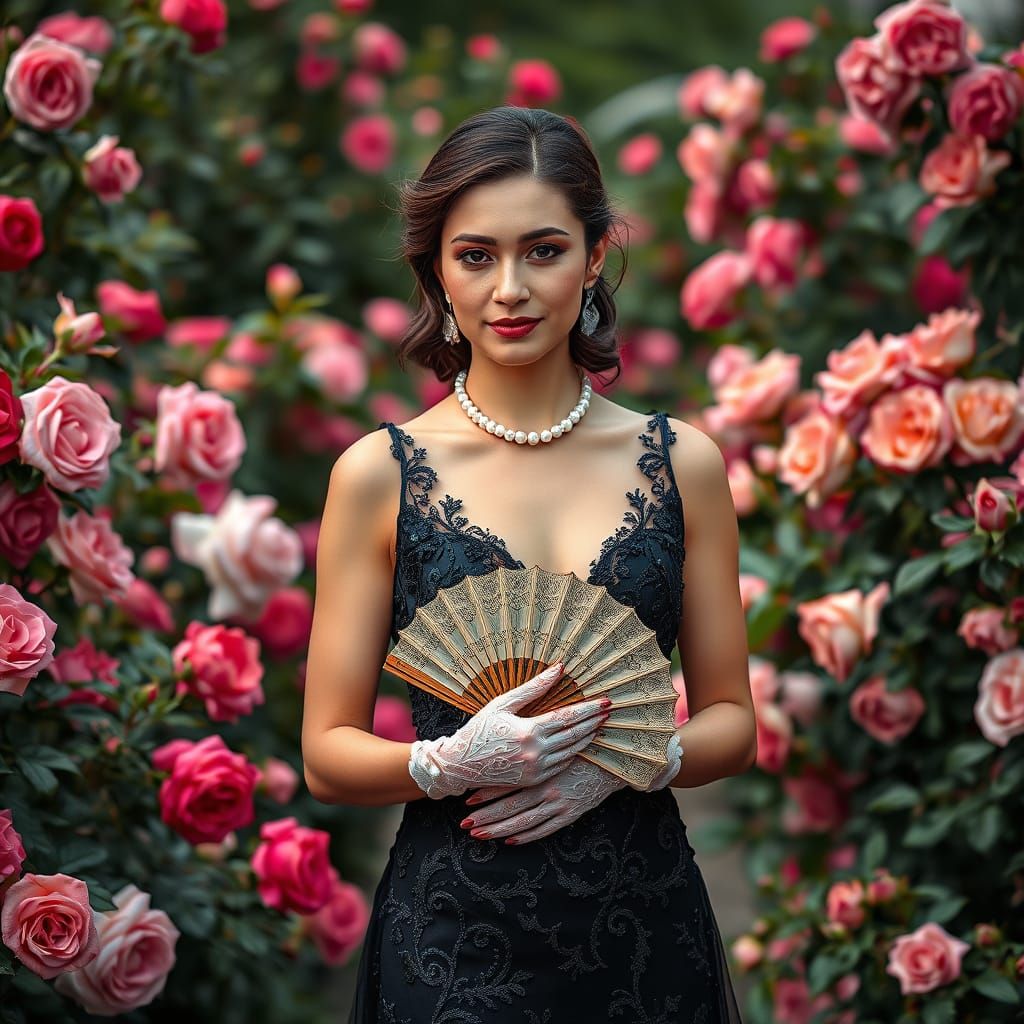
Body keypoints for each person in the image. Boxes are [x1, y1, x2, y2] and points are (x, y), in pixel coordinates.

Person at [301, 105, 754, 1023]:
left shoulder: (684, 465)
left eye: (543, 251)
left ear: (593, 259)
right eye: (477, 256)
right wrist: (448, 760)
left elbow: (734, 723)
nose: (510, 288)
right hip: (450, 937)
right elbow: (325, 755)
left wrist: (637, 759)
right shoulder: (377, 476)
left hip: (644, 932)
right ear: (439, 270)